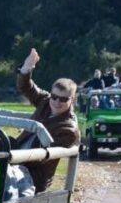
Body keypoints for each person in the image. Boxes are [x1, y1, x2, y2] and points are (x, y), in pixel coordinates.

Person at [9, 47, 80, 193]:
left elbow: (42, 158)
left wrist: (12, 160)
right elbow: (26, 87)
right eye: (54, 96)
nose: (57, 102)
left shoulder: (69, 129)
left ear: (72, 100)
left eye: (63, 99)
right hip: (15, 158)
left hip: (32, 174)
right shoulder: (46, 102)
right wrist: (26, 69)